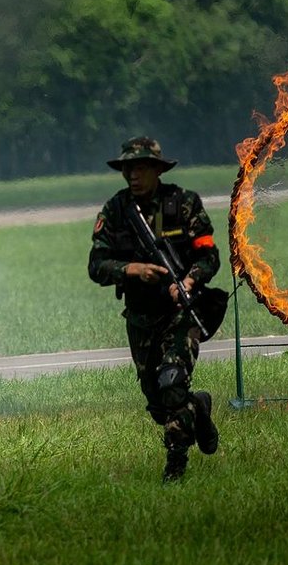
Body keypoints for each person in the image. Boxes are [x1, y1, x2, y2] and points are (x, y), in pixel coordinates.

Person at [88, 137, 224, 482]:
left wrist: (190, 282)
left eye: (140, 168)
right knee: (159, 406)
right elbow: (96, 265)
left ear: (157, 170)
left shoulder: (182, 204)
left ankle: (175, 466)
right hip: (140, 317)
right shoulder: (115, 211)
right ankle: (200, 408)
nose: (133, 175)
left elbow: (209, 255)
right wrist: (132, 270)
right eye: (128, 169)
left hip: (180, 311)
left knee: (172, 380)